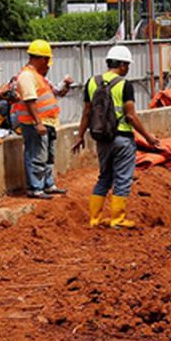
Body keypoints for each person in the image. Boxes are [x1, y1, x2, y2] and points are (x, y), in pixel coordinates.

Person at [71, 45, 161, 229]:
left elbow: (87, 113)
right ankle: (117, 219)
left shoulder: (91, 82)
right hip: (122, 138)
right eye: (127, 65)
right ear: (121, 65)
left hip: (101, 139)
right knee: (122, 178)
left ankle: (94, 219)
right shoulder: (124, 85)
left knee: (104, 177)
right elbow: (130, 115)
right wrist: (148, 136)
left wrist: (80, 136)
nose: (127, 69)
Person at [12, 39, 73, 199]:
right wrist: (38, 123)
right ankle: (35, 188)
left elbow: (57, 92)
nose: (47, 64)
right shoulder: (27, 76)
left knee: (47, 156)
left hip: (47, 122)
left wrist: (66, 85)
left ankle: (47, 184)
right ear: (40, 58)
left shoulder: (39, 77)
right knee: (36, 155)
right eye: (46, 60)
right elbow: (29, 100)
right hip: (34, 124)